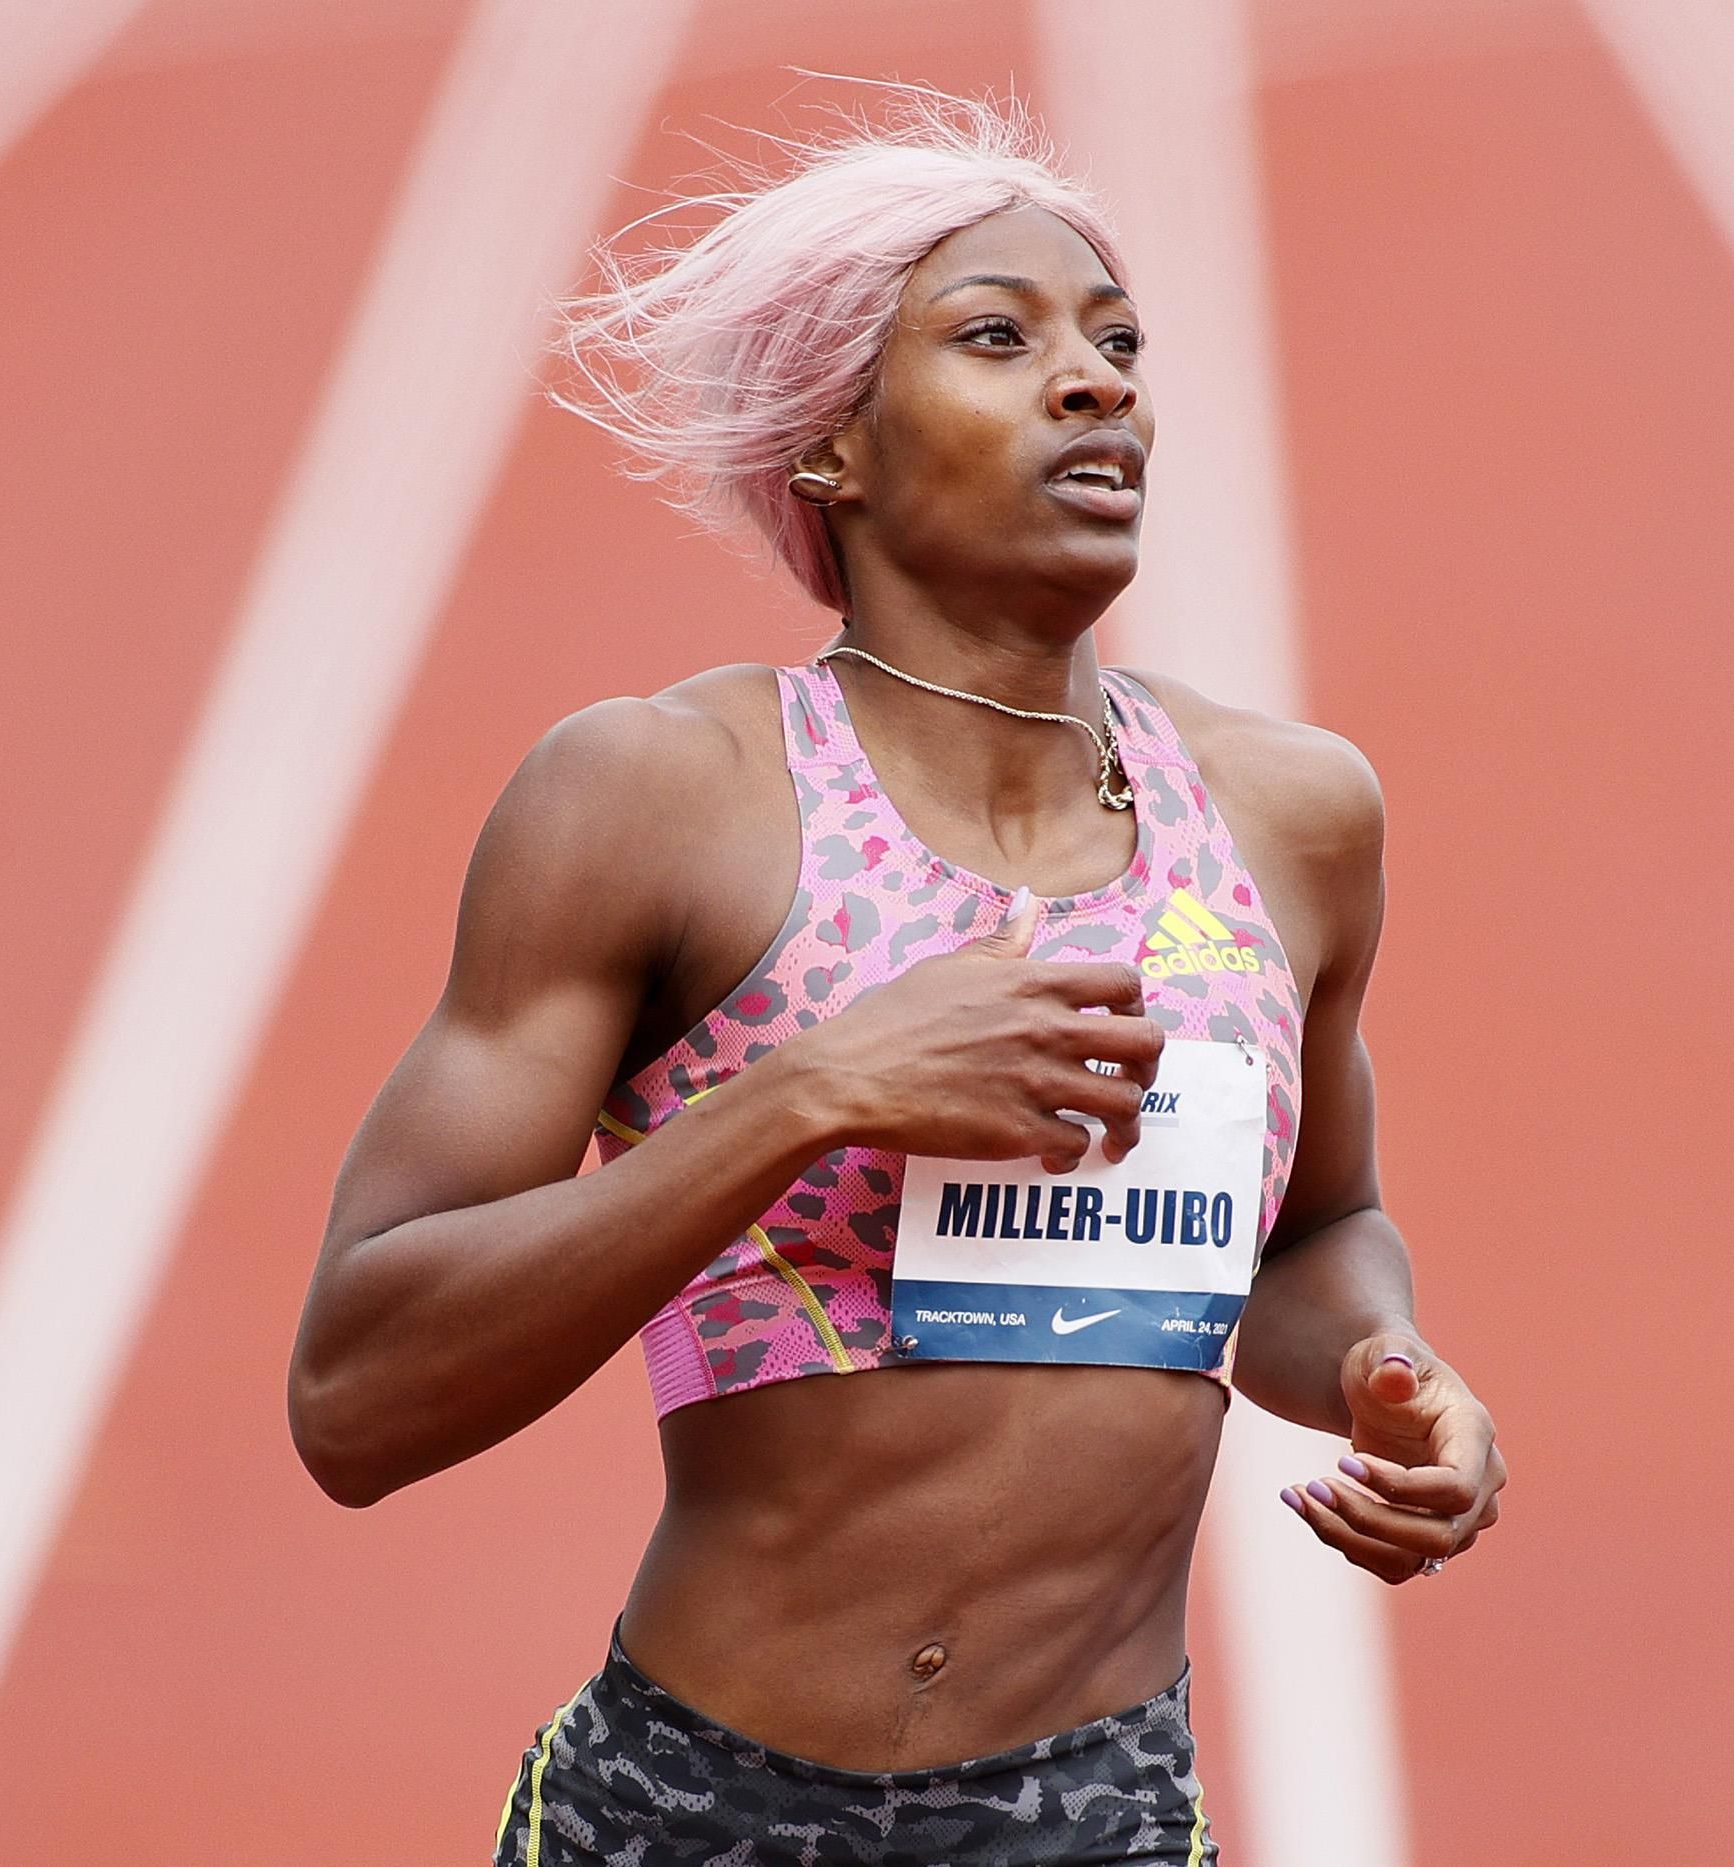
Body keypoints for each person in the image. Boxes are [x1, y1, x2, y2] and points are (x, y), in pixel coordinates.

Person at [288, 89, 1505, 1864]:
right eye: (999, 339)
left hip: (1092, 1820)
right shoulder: (662, 798)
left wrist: (1393, 1365)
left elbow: (1315, 1237)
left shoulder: (1292, 819)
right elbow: (357, 1397)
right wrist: (809, 1096)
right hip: (697, 1811)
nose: (1097, 384)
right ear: (833, 446)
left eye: (1118, 344)